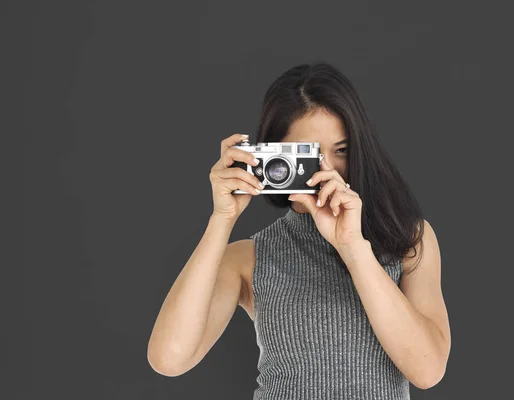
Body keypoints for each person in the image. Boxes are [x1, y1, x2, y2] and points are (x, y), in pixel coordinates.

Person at [147, 62, 451, 399]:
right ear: (275, 157)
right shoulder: (248, 258)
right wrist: (222, 219)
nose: (328, 170)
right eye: (308, 155)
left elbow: (428, 370)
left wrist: (352, 246)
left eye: (342, 150)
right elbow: (169, 358)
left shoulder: (408, 239)